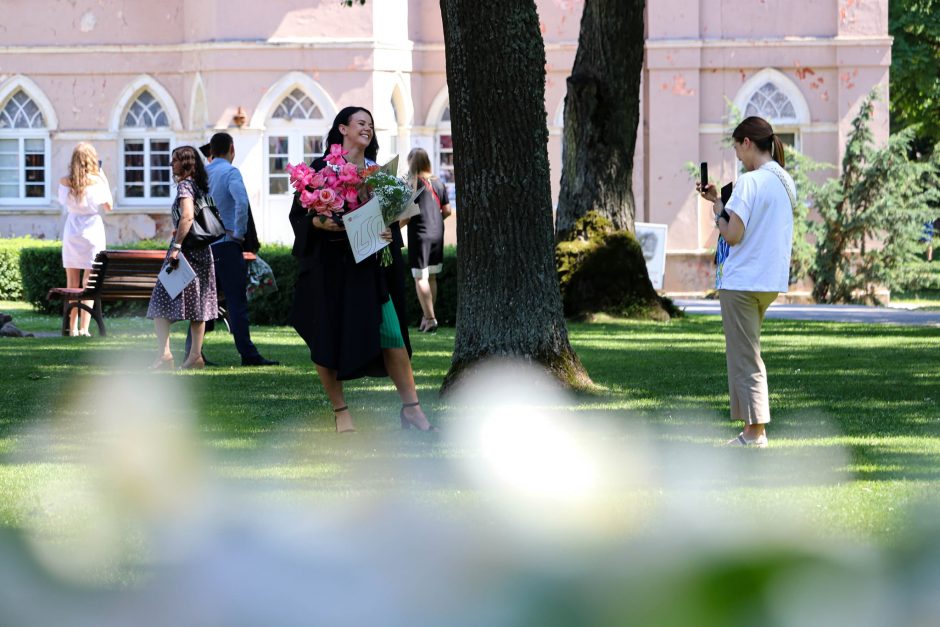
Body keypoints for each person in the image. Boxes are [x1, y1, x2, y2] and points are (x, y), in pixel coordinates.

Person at [289, 106, 435, 433]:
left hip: (370, 270)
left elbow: (396, 218)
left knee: (393, 335)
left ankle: (412, 410)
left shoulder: (379, 173)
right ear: (342, 128)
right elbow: (300, 216)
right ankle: (341, 412)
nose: (367, 128)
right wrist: (317, 221)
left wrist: (389, 228)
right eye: (360, 123)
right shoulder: (319, 169)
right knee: (325, 337)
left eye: (370, 124)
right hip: (330, 269)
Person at [697, 116, 796, 448]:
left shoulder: (749, 182)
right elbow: (751, 225)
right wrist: (719, 202)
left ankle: (756, 434)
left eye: (737, 149)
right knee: (746, 352)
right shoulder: (785, 181)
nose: (738, 156)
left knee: (745, 356)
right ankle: (751, 430)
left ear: (747, 143)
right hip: (769, 280)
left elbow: (734, 234)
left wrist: (716, 216)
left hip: (742, 280)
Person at [196, 132, 278, 366]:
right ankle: (248, 354)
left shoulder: (203, 174)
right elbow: (241, 202)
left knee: (203, 302)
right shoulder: (231, 172)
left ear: (211, 150)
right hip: (226, 244)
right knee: (236, 301)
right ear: (232, 148)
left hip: (204, 245)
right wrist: (239, 233)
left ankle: (194, 353)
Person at [147, 146, 219, 370]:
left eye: (175, 160)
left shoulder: (185, 186)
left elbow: (187, 216)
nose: (172, 164)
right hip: (203, 252)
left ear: (186, 163)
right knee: (199, 307)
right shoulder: (200, 186)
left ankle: (165, 354)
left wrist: (176, 246)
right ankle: (195, 357)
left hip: (185, 253)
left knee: (159, 303)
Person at [59, 143, 113, 336]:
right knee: (89, 282)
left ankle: (71, 328)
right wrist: (102, 176)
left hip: (72, 230)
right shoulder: (97, 182)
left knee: (71, 283)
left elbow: (63, 203)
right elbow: (109, 206)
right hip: (92, 230)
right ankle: (84, 328)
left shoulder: (65, 182)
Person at [401, 147, 451, 333]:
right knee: (432, 276)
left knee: (420, 276)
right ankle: (427, 316)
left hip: (419, 234)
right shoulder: (438, 183)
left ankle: (430, 319)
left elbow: (406, 216)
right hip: (437, 232)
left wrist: (393, 229)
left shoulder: (411, 184)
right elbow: (447, 211)